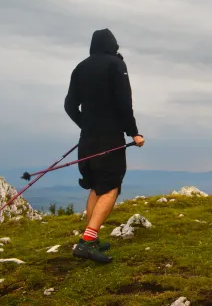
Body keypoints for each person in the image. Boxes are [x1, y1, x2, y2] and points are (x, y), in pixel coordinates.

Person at [64, 28, 144, 263]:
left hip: (87, 139)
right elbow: (124, 103)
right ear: (113, 45)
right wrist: (133, 133)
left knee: (97, 187)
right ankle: (87, 243)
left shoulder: (80, 67)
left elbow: (70, 105)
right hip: (110, 137)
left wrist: (86, 125)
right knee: (110, 187)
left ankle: (93, 238)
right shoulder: (116, 65)